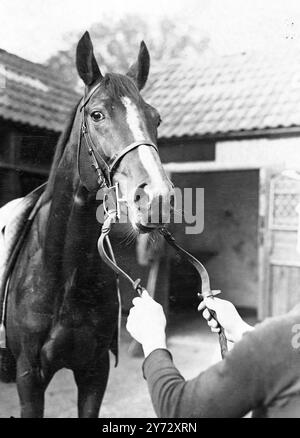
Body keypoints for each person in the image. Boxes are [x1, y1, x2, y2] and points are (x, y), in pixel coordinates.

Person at [126, 291, 300, 418]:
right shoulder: (280, 337)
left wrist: (152, 338)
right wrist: (243, 330)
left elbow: (179, 412)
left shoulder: (277, 337)